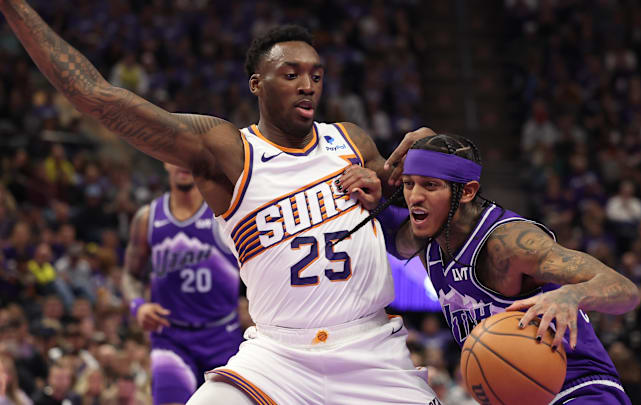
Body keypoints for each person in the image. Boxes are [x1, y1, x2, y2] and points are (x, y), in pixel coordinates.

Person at [0, 2, 439, 403]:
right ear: (257, 84)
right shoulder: (230, 152)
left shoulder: (351, 140)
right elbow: (98, 98)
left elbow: (404, 238)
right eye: (290, 74)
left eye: (316, 75)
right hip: (277, 357)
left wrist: (410, 180)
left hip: (370, 349)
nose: (307, 85)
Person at [367, 133, 640, 404]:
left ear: (468, 192)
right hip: (515, 395)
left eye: (430, 185)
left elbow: (626, 290)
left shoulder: (509, 243)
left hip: (576, 391)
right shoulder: (427, 240)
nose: (415, 196)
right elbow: (391, 233)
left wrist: (572, 295)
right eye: (408, 184)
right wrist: (366, 189)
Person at [122, 163, 243, 405]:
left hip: (223, 335)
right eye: (174, 157)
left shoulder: (225, 213)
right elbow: (130, 276)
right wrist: (138, 306)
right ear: (165, 162)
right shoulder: (148, 217)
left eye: (188, 157)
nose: (182, 163)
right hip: (171, 337)